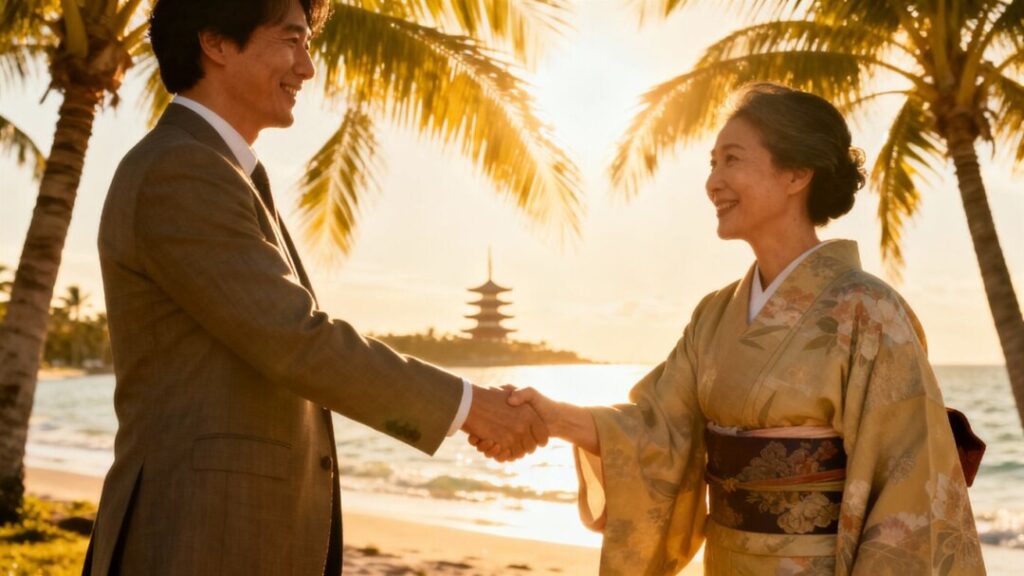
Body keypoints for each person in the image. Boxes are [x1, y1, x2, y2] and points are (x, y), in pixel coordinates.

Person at [84, 1, 546, 574]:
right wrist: (470, 407)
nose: (307, 67)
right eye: (292, 41)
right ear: (217, 44)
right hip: (199, 534)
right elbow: (295, 339)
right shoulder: (183, 169)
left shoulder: (221, 169)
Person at [482, 84, 985, 574]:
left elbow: (909, 482)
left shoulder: (869, 310)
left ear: (797, 173)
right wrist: (552, 418)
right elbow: (657, 430)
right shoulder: (714, 314)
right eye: (712, 163)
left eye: (732, 159)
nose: (712, 182)